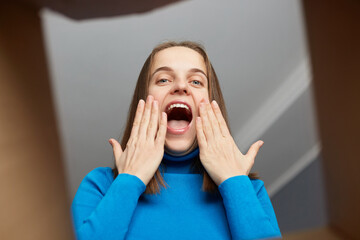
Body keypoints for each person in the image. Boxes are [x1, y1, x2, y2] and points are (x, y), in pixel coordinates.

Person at [71, 41, 282, 240]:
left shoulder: (249, 190)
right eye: (163, 79)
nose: (181, 86)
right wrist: (130, 180)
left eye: (196, 81)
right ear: (142, 100)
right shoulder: (101, 185)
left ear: (211, 103)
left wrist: (235, 183)